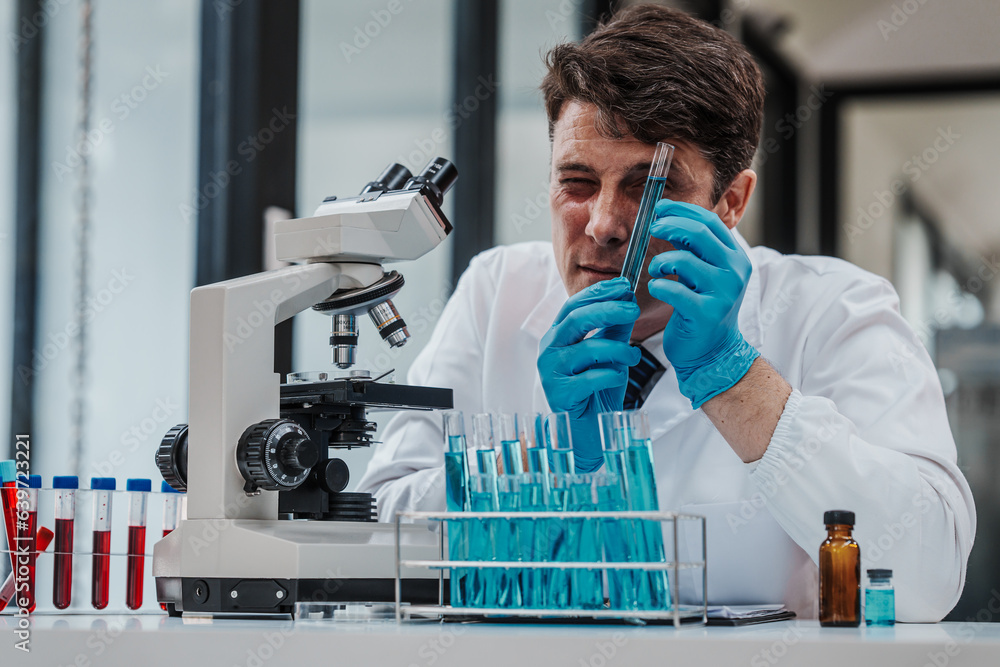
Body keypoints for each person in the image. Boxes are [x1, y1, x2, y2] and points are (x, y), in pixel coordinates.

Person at [357, 4, 974, 622]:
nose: (601, 226)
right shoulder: (495, 293)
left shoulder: (833, 312)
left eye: (646, 187)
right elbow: (370, 546)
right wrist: (545, 462)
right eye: (577, 182)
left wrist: (735, 382)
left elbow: (927, 577)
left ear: (730, 202)